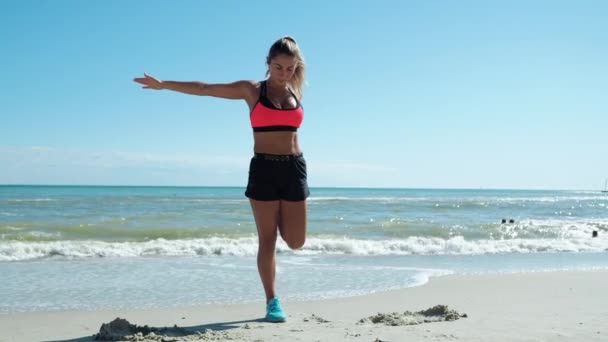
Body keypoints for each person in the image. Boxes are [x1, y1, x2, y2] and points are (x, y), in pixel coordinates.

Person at [133, 36, 309, 323]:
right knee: (267, 239)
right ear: (268, 64)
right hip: (264, 169)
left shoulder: (294, 93)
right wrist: (164, 84)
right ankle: (272, 300)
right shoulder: (251, 90)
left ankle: (275, 280)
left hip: (294, 169)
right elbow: (205, 89)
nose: (284, 73)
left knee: (296, 241)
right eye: (278, 67)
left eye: (289, 68)